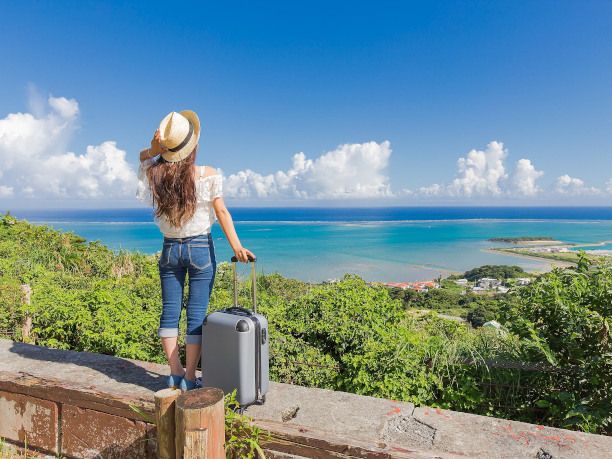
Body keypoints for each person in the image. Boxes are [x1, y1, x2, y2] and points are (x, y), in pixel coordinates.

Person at [137, 110, 254, 390]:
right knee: (196, 313)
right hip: (200, 249)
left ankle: (174, 373)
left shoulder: (155, 175)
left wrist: (155, 149)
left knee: (169, 311)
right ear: (194, 147)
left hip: (169, 251)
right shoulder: (207, 174)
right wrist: (237, 247)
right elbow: (222, 212)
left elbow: (144, 157)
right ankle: (190, 377)